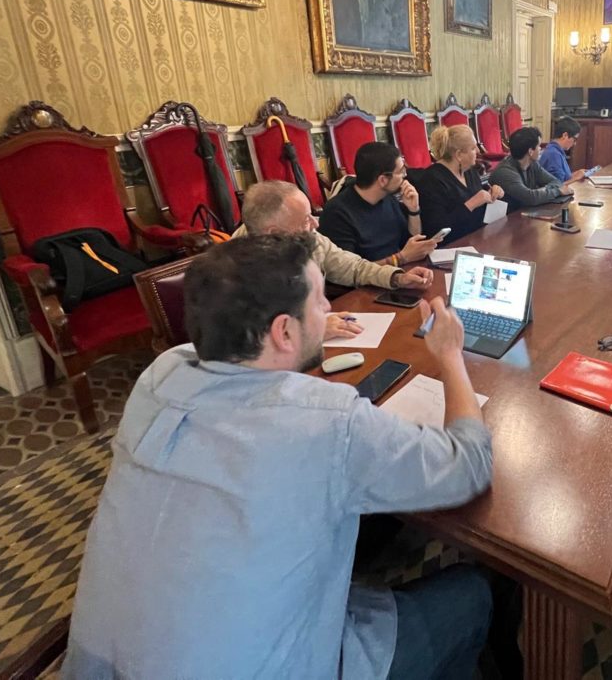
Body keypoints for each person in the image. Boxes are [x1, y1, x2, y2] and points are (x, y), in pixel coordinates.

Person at [62, 234, 494, 679]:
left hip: (107, 663)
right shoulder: (326, 422)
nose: (329, 310)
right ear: (283, 330)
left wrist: (297, 330)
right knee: (473, 594)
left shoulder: (158, 376)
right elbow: (468, 465)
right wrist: (449, 355)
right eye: (321, 302)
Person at [236, 180, 433, 341]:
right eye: (306, 219)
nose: (316, 223)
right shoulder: (231, 272)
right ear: (274, 233)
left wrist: (397, 278)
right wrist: (312, 332)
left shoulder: (310, 237)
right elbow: (248, 340)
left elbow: (352, 267)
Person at [317, 142, 438, 265]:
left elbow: (411, 241)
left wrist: (414, 210)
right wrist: (401, 258)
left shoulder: (387, 198)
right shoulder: (337, 214)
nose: (405, 175)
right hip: (369, 282)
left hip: (401, 273)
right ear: (383, 180)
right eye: (401, 171)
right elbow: (350, 271)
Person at [414, 125, 503, 244]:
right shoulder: (431, 180)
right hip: (451, 246)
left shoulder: (470, 171)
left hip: (478, 238)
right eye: (472, 148)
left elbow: (479, 198)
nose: (477, 151)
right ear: (459, 154)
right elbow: (436, 230)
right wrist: (471, 204)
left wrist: (493, 193)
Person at [489, 127, 574, 209]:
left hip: (524, 213)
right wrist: (557, 191)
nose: (540, 149)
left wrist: (543, 191)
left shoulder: (532, 164)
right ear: (530, 151)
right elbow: (531, 198)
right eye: (538, 146)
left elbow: (556, 182)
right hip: (506, 219)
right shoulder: (505, 172)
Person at [538, 115, 587, 184]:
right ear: (565, 135)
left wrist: (573, 175)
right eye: (574, 139)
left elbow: (563, 178)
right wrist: (576, 178)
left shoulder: (554, 150)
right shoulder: (554, 155)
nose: (575, 143)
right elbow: (557, 188)